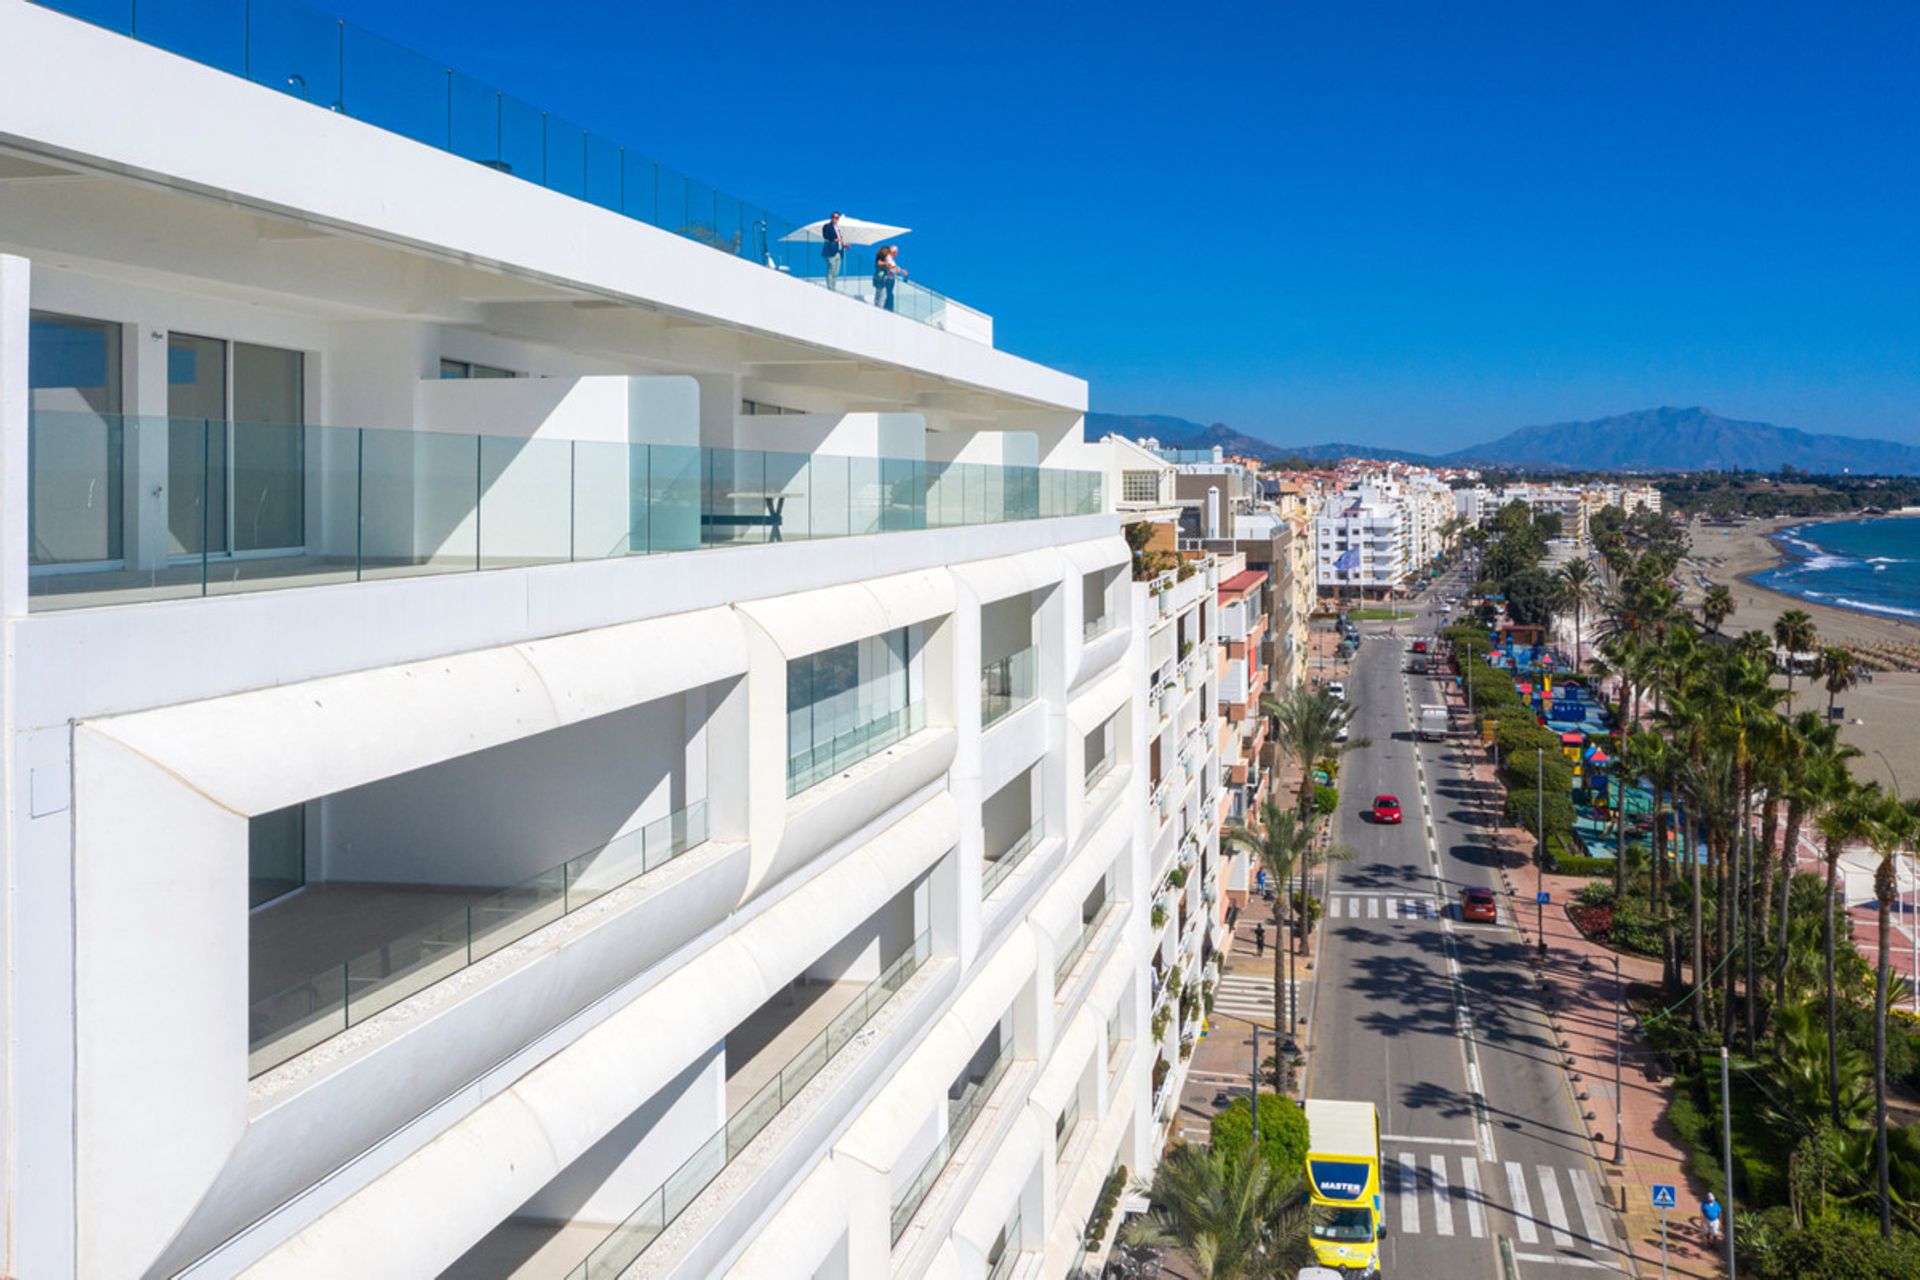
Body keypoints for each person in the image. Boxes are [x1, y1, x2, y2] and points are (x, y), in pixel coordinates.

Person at [874, 244, 906, 311]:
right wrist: (901, 270)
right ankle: (885, 309)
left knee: (885, 295)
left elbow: (891, 267)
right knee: (886, 295)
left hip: (885, 279)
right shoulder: (887, 258)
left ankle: (884, 308)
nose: (896, 254)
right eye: (896, 252)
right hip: (886, 279)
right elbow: (891, 268)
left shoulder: (888, 259)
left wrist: (899, 270)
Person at [821, 212, 845, 289]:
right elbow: (826, 235)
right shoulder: (827, 226)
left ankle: (833, 287)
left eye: (837, 217)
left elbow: (840, 240)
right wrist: (835, 239)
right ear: (831, 218)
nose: (835, 219)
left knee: (836, 272)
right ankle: (830, 288)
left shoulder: (838, 228)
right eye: (834, 217)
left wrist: (844, 245)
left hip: (839, 251)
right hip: (830, 251)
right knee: (831, 268)